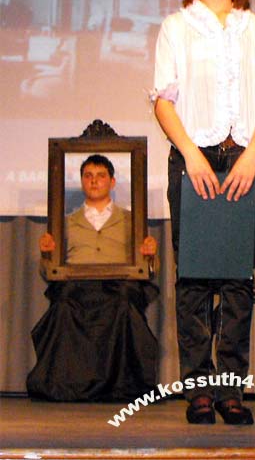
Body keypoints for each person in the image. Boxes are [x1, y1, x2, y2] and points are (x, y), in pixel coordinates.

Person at [152, 0, 255, 425]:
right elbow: (163, 100)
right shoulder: (177, 26)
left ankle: (231, 389)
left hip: (244, 160)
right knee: (192, 278)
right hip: (194, 158)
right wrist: (190, 153)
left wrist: (252, 155)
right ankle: (198, 391)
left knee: (235, 279)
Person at [27, 154, 159, 402]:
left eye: (100, 176)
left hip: (118, 286)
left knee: (124, 302)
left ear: (112, 181)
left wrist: (150, 256)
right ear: (82, 182)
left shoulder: (132, 220)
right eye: (88, 176)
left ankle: (121, 384)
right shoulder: (65, 223)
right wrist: (46, 255)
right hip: (77, 287)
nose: (94, 181)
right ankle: (66, 383)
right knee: (63, 304)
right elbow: (48, 272)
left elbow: (150, 270)